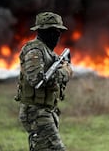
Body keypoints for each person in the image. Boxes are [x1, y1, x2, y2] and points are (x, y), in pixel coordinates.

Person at [15, 12, 73, 151]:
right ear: (42, 31)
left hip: (45, 111)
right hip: (36, 112)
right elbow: (36, 80)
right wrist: (65, 72)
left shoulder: (48, 52)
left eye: (58, 32)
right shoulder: (35, 51)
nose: (57, 35)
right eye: (53, 31)